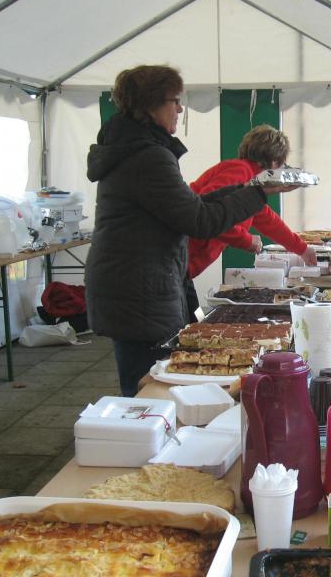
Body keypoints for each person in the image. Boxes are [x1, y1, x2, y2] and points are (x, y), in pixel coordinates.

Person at [84, 65, 289, 397]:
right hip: (140, 289)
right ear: (151, 105)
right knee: (150, 389)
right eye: (174, 101)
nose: (180, 109)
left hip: (137, 284)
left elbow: (191, 204)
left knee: (153, 380)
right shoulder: (148, 156)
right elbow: (199, 220)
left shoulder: (138, 149)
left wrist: (252, 191)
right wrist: (258, 193)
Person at [186, 125, 318, 307]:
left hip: (184, 266)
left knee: (190, 315)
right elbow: (207, 213)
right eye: (281, 165)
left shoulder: (251, 182)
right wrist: (246, 240)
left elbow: (269, 221)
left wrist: (302, 249)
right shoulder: (240, 171)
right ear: (273, 162)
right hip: (179, 260)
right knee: (187, 318)